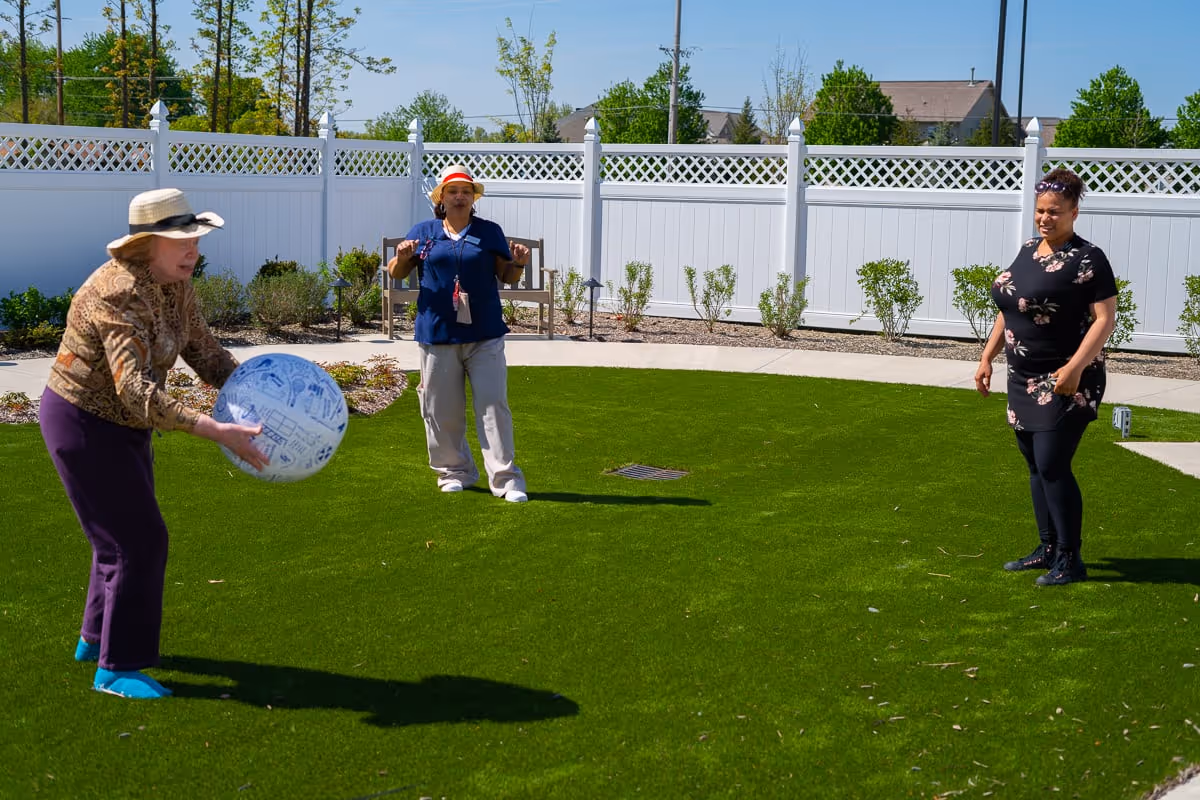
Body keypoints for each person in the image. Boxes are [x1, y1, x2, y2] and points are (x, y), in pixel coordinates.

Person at [40, 188, 268, 698]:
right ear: (146, 245)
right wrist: (215, 429)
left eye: (196, 239)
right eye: (181, 240)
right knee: (139, 541)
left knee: (117, 539)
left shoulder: (176, 285)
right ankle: (116, 668)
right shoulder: (117, 292)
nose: (194, 250)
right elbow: (135, 391)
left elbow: (204, 352)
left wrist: (262, 393)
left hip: (125, 426)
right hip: (82, 422)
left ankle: (94, 638)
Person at [974, 168, 1118, 586]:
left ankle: (1071, 559)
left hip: (1067, 379)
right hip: (1022, 378)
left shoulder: (1088, 258)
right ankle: (1048, 548)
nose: (1045, 218)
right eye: (1040, 211)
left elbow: (1105, 319)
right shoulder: (1027, 250)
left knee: (1054, 464)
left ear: (1074, 211)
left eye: (1054, 212)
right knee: (1036, 467)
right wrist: (986, 357)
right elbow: (1011, 309)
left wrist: (1074, 367)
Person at [387, 164, 530, 502]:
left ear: (473, 198)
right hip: (436, 333)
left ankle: (506, 480)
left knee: (493, 406)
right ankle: (454, 472)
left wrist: (519, 264)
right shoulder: (423, 231)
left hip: (485, 334)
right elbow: (397, 272)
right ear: (442, 198)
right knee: (440, 408)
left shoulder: (489, 231)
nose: (460, 196)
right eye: (453, 191)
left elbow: (507, 276)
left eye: (466, 191)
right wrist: (402, 257)